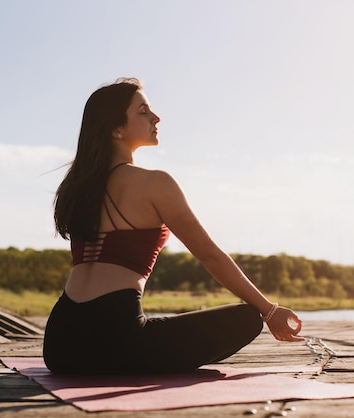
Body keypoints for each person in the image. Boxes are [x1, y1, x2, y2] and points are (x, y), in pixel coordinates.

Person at [43, 77, 303, 375]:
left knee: (149, 328)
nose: (156, 118)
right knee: (247, 318)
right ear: (117, 129)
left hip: (61, 345)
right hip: (118, 343)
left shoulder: (77, 187)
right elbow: (209, 255)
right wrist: (269, 311)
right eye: (143, 111)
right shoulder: (155, 183)